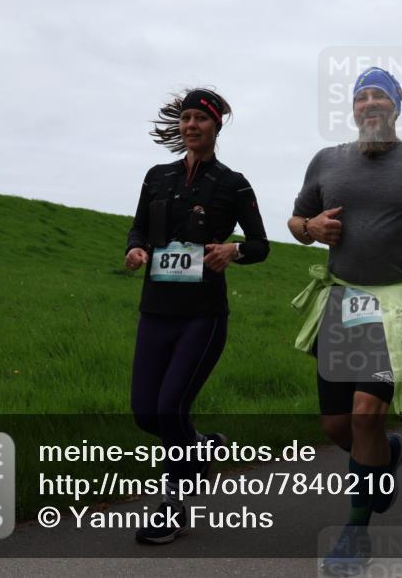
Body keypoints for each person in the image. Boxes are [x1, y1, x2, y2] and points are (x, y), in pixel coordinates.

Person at [288, 67, 402, 575]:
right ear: (353, 109)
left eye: (379, 96)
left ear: (397, 105)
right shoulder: (326, 161)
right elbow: (297, 223)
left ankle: (354, 534)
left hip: (398, 306)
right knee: (339, 427)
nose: (370, 104)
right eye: (362, 96)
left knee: (366, 412)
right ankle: (385, 455)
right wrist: (311, 227)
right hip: (343, 303)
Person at [124, 88, 269, 543]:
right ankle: (202, 447)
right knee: (146, 413)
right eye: (185, 118)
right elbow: (139, 227)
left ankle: (172, 505)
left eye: (200, 119)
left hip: (202, 316)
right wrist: (134, 248)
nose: (191, 126)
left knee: (172, 409)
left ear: (215, 126)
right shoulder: (157, 176)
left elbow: (260, 244)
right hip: (156, 310)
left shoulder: (233, 183)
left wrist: (234, 250)